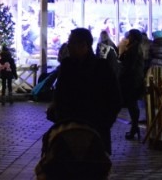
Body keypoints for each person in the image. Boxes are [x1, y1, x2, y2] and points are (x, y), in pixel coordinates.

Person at [49, 27, 122, 155]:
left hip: (96, 129)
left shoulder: (101, 67)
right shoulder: (67, 66)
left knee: (93, 168)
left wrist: (105, 122)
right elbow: (59, 95)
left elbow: (114, 98)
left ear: (84, 45)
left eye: (71, 43)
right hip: (68, 129)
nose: (68, 46)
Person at [118, 29, 145, 140]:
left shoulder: (134, 49)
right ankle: (135, 127)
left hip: (132, 80)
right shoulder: (135, 48)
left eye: (130, 35)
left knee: (132, 104)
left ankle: (134, 127)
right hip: (135, 78)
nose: (128, 37)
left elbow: (129, 65)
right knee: (132, 104)